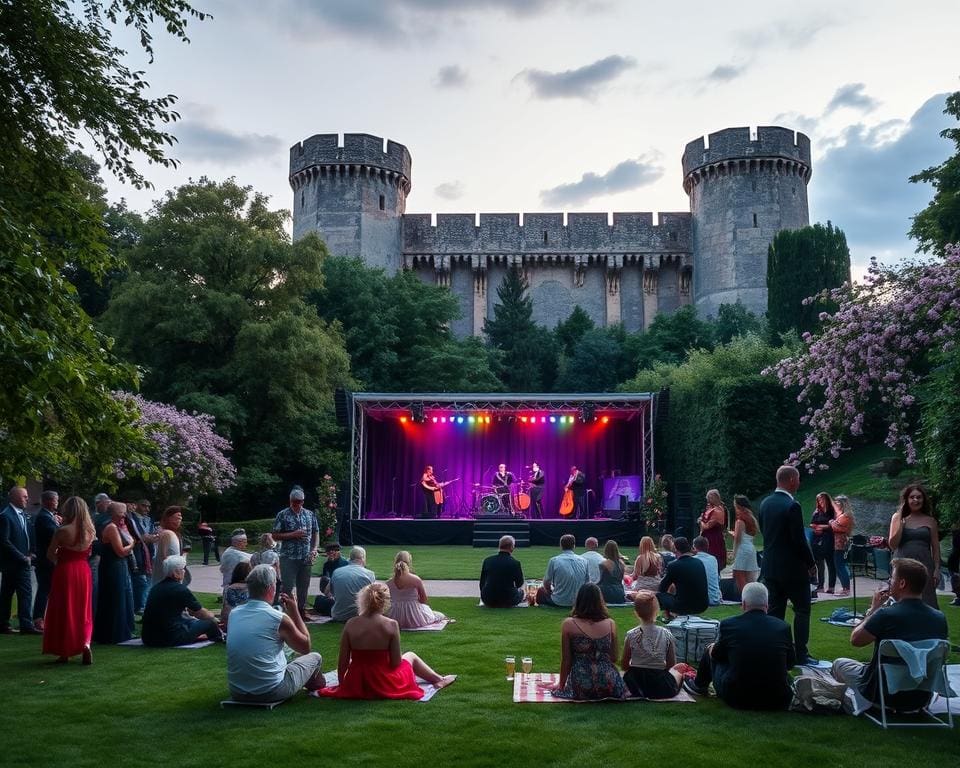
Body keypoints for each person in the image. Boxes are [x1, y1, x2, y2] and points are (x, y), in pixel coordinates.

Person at [832, 557, 949, 711]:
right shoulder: (939, 618)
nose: (889, 581)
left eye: (892, 578)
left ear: (902, 583)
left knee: (839, 664)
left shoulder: (886, 615)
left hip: (882, 694)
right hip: (921, 697)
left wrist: (873, 610)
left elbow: (856, 640)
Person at [319, 582, 455, 699]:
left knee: (355, 662)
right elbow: (396, 663)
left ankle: (439, 679)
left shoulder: (351, 623)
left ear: (362, 600)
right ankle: (439, 679)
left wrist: (344, 684)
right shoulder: (391, 624)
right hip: (384, 681)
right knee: (410, 656)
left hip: (358, 679)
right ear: (385, 602)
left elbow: (342, 662)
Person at [683, 582, 795, 710]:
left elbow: (717, 655)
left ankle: (699, 685)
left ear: (744, 604)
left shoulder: (730, 625)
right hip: (778, 698)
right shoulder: (782, 627)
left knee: (711, 649)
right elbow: (790, 663)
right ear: (767, 605)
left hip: (737, 697)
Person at [226, 564, 324, 703]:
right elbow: (305, 647)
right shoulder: (277, 618)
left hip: (237, 691)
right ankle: (317, 685)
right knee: (315, 657)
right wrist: (295, 611)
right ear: (271, 588)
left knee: (284, 655)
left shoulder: (234, 614)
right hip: (270, 691)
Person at [759, 465, 817, 665]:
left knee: (775, 611)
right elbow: (798, 540)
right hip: (792, 569)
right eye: (798, 478)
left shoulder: (765, 503)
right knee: (802, 609)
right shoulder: (792, 505)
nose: (800, 482)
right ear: (792, 480)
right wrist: (811, 563)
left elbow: (765, 533)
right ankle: (801, 653)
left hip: (770, 567)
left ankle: (775, 652)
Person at [550, 583, 626, 700]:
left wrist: (561, 685)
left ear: (579, 600)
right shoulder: (610, 624)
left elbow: (566, 660)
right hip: (609, 683)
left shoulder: (569, 624)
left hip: (581, 682)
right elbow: (614, 657)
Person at [42, 496, 95, 663]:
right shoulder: (90, 531)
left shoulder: (62, 531)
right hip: (83, 571)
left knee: (65, 609)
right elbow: (89, 553)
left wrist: (61, 559)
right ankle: (85, 643)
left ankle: (64, 651)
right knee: (82, 610)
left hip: (65, 571)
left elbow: (50, 554)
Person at [141, 555, 223, 647]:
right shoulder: (180, 589)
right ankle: (219, 637)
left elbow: (191, 612)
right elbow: (200, 613)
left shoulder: (156, 587)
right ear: (176, 572)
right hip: (171, 638)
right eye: (183, 569)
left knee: (191, 621)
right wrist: (213, 617)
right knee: (210, 623)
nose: (184, 571)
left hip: (148, 638)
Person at [621, 591, 683, 699]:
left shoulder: (631, 635)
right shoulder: (666, 634)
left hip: (635, 684)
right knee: (678, 673)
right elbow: (671, 665)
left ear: (636, 612)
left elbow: (624, 665)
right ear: (657, 611)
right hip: (660, 684)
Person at [888, 484, 940, 609]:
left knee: (927, 599)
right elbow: (892, 545)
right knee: (902, 598)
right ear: (906, 499)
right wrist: (901, 526)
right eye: (912, 497)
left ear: (923, 499)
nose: (915, 500)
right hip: (903, 565)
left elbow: (936, 548)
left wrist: (937, 569)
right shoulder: (897, 517)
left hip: (925, 565)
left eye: (919, 497)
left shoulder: (930, 521)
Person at [93, 502, 136, 644]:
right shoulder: (111, 527)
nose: (124, 515)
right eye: (122, 512)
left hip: (120, 566)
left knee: (124, 596)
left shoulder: (119, 527)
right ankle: (113, 633)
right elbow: (121, 551)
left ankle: (125, 630)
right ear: (114, 513)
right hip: (113, 566)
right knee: (115, 598)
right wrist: (132, 545)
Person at [273, 488, 319, 618]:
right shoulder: (282, 515)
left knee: (303, 587)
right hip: (289, 557)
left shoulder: (309, 514)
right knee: (287, 586)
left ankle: (301, 611)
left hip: (306, 557)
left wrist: (314, 548)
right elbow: (275, 535)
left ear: (303, 501)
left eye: (300, 502)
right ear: (290, 500)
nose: (297, 504)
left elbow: (316, 532)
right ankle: (285, 613)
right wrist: (293, 534)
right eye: (294, 502)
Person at [0, 486, 40, 634]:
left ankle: (3, 623)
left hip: (22, 560)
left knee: (7, 593)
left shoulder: (23, 515)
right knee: (24, 592)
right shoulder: (6, 515)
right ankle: (26, 625)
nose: (27, 499)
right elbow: (4, 541)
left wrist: (32, 553)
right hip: (15, 563)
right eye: (24, 496)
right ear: (14, 497)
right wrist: (22, 557)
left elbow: (28, 536)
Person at [386, 551, 447, 628]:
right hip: (415, 615)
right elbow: (424, 600)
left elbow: (387, 601)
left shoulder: (388, 582)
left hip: (395, 615)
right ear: (409, 563)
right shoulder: (416, 580)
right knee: (439, 615)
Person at [314, 546, 375, 621]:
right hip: (360, 614)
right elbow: (373, 597)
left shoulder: (337, 572)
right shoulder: (370, 574)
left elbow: (327, 592)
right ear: (363, 558)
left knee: (319, 599)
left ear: (350, 558)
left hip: (339, 615)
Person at [656, 536, 708, 618]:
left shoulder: (674, 565)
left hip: (684, 606)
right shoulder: (699, 562)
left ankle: (668, 616)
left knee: (657, 597)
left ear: (676, 549)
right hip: (702, 604)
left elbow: (662, 588)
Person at [32, 490, 60, 632]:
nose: (57, 502)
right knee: (44, 588)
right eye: (55, 500)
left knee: (47, 589)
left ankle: (42, 616)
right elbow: (54, 534)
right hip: (45, 561)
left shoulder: (49, 517)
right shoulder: (43, 517)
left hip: (47, 560)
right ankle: (38, 618)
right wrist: (60, 526)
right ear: (48, 501)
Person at [536, 534, 587, 608]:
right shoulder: (584, 561)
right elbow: (588, 583)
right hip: (578, 601)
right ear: (574, 546)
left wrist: (550, 592)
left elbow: (546, 582)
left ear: (561, 545)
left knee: (541, 590)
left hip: (559, 601)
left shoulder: (554, 560)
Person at [479, 535, 525, 607]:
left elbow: (482, 582)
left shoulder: (487, 561)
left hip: (488, 599)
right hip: (508, 600)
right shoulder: (515, 563)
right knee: (522, 592)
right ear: (512, 547)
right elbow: (519, 583)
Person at [728, 495, 760, 593]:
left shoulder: (740, 520)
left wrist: (734, 552)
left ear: (738, 506)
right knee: (750, 576)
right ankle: (753, 596)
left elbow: (738, 538)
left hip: (742, 549)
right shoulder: (751, 518)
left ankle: (745, 597)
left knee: (738, 575)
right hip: (750, 548)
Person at [88, 492, 112, 620]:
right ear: (98, 503)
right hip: (95, 556)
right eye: (106, 502)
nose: (109, 504)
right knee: (94, 585)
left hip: (105, 556)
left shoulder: (109, 517)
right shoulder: (93, 517)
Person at [810, 491, 837, 593]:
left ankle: (831, 587)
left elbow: (833, 524)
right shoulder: (817, 512)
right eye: (818, 500)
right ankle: (820, 586)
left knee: (830, 563)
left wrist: (821, 526)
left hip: (829, 539)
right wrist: (816, 527)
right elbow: (812, 524)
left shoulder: (832, 511)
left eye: (822, 499)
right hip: (817, 539)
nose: (820, 501)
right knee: (819, 563)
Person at [153, 506, 186, 587]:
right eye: (177, 518)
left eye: (180, 519)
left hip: (173, 575)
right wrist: (173, 574)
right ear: (168, 518)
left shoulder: (173, 533)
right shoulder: (167, 534)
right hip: (167, 577)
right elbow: (163, 557)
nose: (179, 521)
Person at [829, 494, 855, 597]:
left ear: (843, 504)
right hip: (836, 544)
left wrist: (831, 522)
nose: (835, 504)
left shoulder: (846, 516)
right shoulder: (841, 515)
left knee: (840, 566)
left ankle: (846, 589)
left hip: (840, 544)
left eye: (837, 502)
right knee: (838, 565)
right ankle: (845, 587)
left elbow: (838, 528)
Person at [699, 489, 728, 570]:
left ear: (714, 497)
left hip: (714, 538)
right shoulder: (710, 509)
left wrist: (701, 521)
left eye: (709, 498)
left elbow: (707, 526)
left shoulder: (718, 510)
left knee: (714, 557)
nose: (708, 500)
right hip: (707, 537)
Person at [221, 561, 252, 629]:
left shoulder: (227, 588)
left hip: (229, 622)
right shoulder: (253, 588)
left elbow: (224, 606)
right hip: (248, 622)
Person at [692, 536, 722, 606]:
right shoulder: (713, 559)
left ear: (694, 547)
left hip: (700, 600)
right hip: (715, 599)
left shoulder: (693, 560)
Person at [219, 528, 251, 592]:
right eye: (244, 542)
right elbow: (250, 559)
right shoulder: (232, 554)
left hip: (231, 586)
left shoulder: (229, 551)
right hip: (234, 587)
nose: (246, 544)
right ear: (237, 542)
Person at [597, 540, 627, 605]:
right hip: (620, 592)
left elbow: (600, 580)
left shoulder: (604, 564)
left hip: (607, 592)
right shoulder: (622, 564)